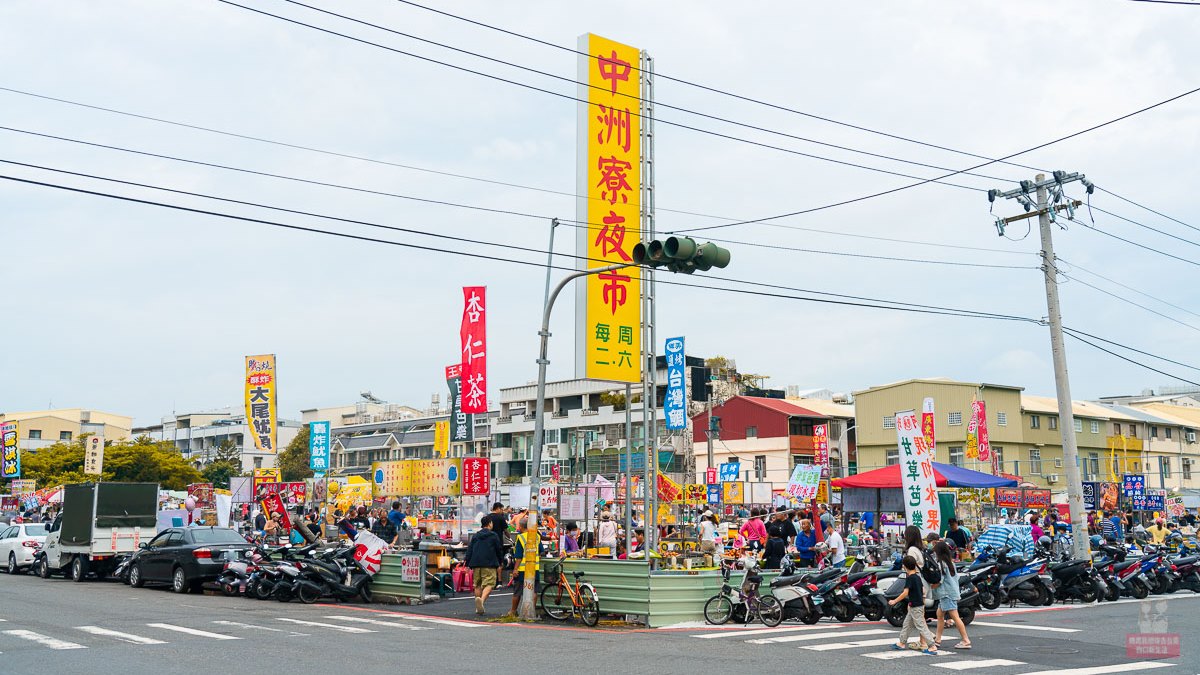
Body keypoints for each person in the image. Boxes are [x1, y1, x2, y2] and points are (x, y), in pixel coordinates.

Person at [889, 555, 938, 655]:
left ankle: (932, 645)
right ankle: (901, 643)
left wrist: (894, 601)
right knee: (907, 624)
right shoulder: (917, 577)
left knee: (921, 626)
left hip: (916, 606)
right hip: (915, 605)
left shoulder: (910, 578)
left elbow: (905, 593)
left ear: (904, 566)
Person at [932, 541, 971, 650]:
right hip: (950, 592)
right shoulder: (950, 562)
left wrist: (930, 587)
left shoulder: (941, 564)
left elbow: (939, 581)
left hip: (946, 594)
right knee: (939, 614)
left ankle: (965, 640)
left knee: (955, 617)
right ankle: (938, 639)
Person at [466, 518, 503, 615]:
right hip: (489, 563)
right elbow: (498, 549)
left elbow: (470, 549)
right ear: (490, 524)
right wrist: (500, 561)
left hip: (476, 563)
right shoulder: (493, 535)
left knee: (477, 585)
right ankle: (481, 602)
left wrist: (467, 562)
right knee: (489, 584)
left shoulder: (476, 536)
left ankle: (478, 607)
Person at [510, 520, 541, 616]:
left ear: (521, 527)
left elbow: (518, 556)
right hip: (534, 568)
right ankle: (531, 611)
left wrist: (515, 569)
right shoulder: (536, 536)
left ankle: (513, 611)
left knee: (517, 592)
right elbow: (541, 551)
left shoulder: (521, 537)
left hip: (522, 569)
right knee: (534, 591)